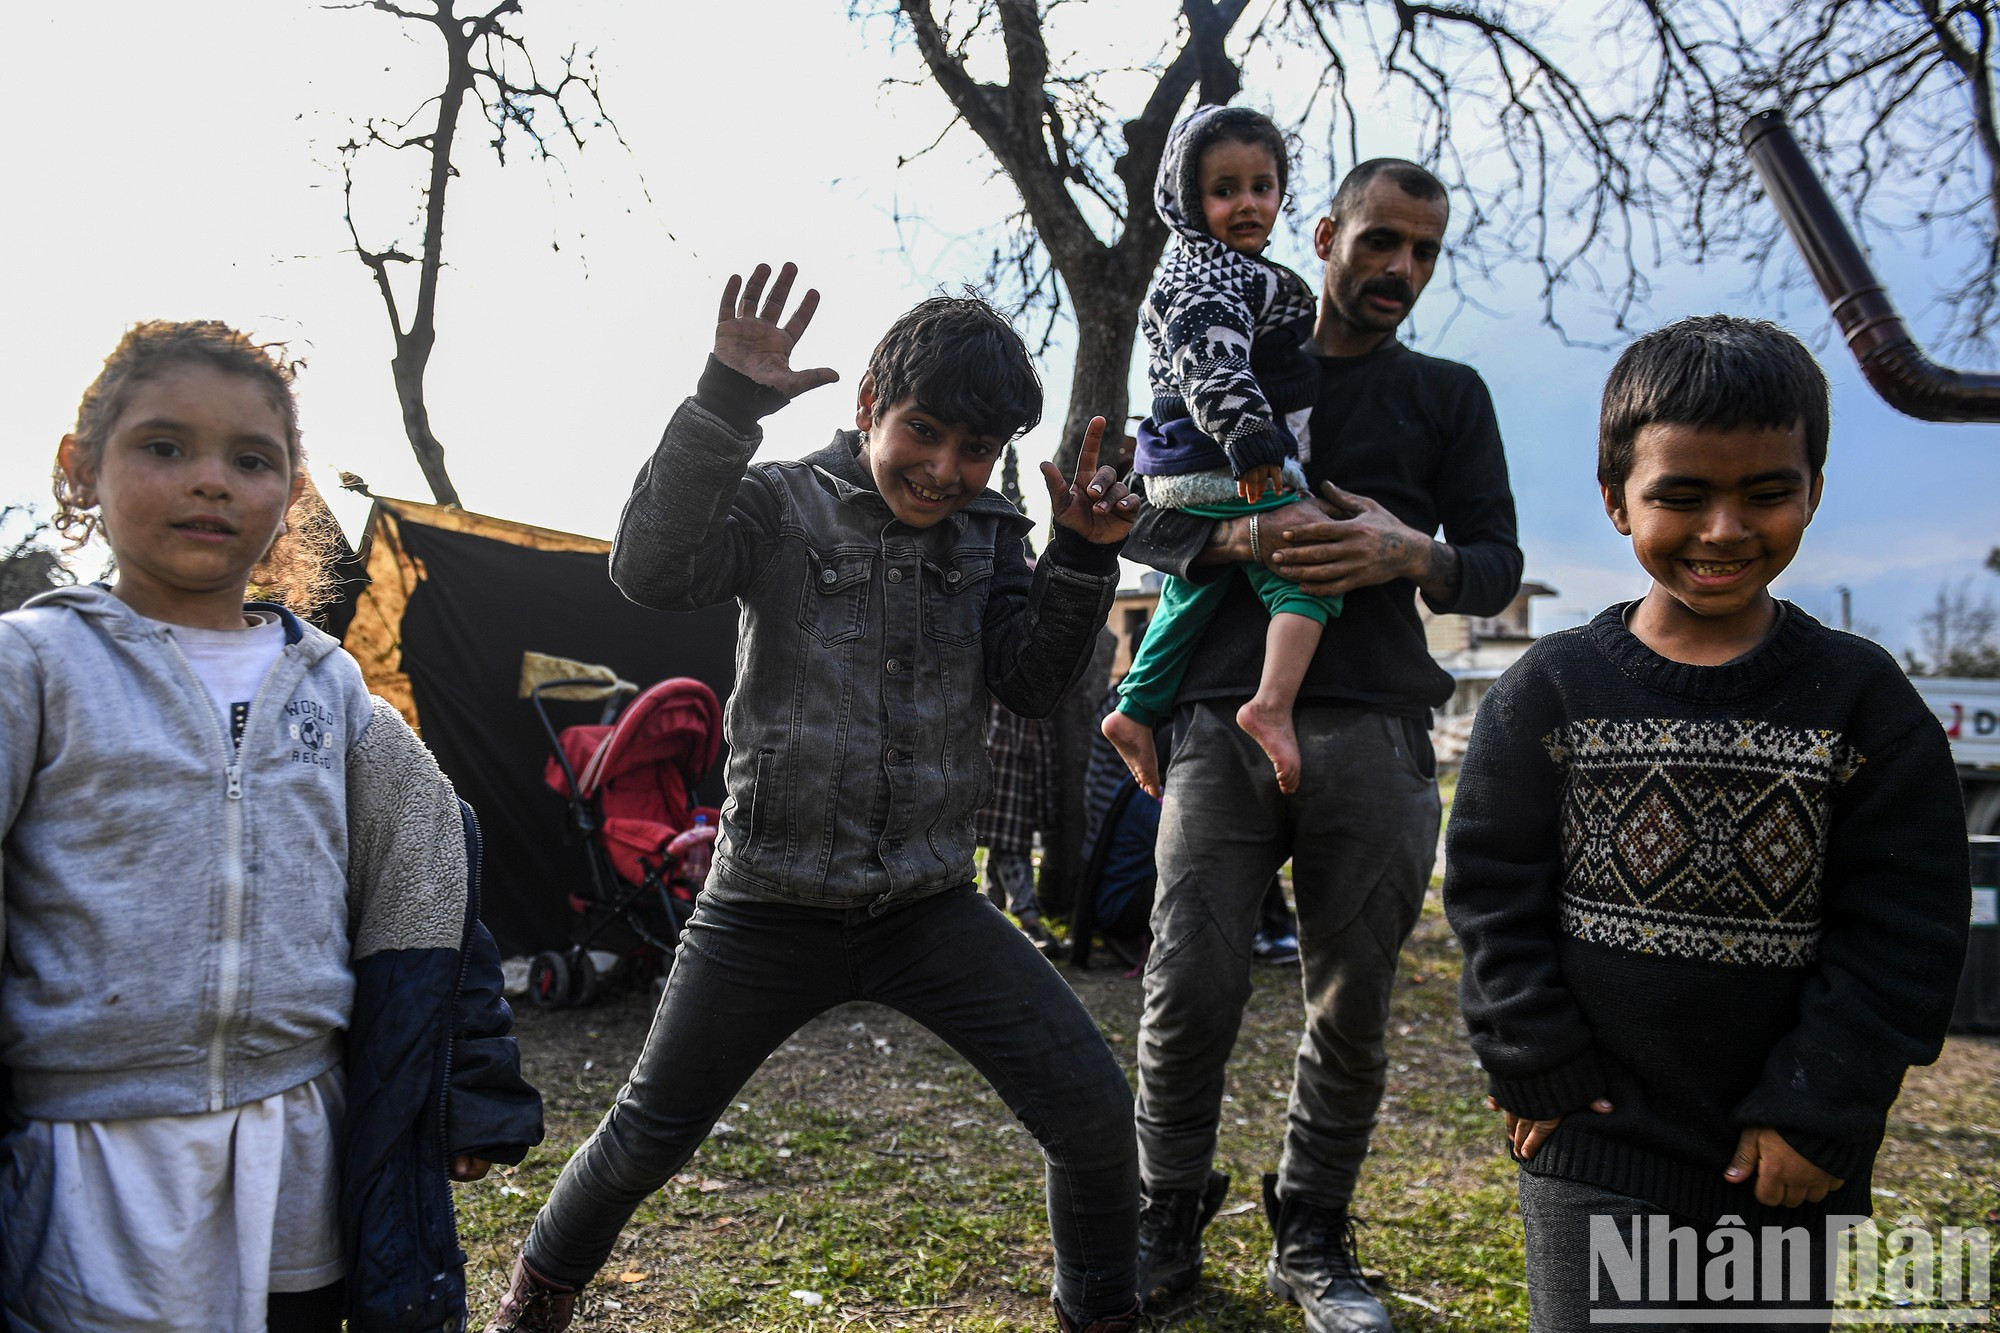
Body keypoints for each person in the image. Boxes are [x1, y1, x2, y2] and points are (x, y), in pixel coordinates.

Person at [485, 264, 1146, 1333]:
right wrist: (723, 403)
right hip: (764, 904)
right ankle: (533, 1301)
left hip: (928, 907)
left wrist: (1079, 553)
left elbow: (1028, 682)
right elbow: (649, 569)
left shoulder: (990, 534)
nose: (941, 470)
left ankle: (1099, 1315)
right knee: (649, 1131)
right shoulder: (779, 502)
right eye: (921, 431)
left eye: (972, 450)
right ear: (867, 407)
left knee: (1090, 1111)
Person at [0, 320, 543, 1331]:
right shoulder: (33, 665)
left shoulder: (330, 687)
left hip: (299, 1134)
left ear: (290, 494)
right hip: (98, 1145)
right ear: (81, 472)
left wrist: (466, 1080)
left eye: (250, 460)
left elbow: (426, 866)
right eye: (164, 446)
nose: (210, 480)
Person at [1442, 315, 1969, 1332]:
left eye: (1764, 491)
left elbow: (1904, 931)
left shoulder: (1861, 703)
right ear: (1613, 500)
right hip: (1590, 1139)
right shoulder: (1548, 691)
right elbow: (1489, 893)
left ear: (1811, 488)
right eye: (1680, 495)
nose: (1723, 528)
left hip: (1782, 1166)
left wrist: (1820, 1111)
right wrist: (1531, 1060)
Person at [1121, 158, 1524, 1333]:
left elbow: (1493, 561)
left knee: (1350, 1001)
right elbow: (1137, 516)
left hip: (1379, 726)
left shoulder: (1449, 393)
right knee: (1186, 983)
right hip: (1215, 720)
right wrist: (1246, 535)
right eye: (1380, 242)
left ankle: (1312, 1228)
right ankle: (1159, 1209)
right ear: (1325, 234)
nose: (1399, 269)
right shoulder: (1222, 352)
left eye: (1424, 251)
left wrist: (1409, 554)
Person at [1101, 105, 1334, 797]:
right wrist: (1250, 434)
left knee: (1190, 586)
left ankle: (1136, 707)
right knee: (1307, 567)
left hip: (1181, 463)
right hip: (1217, 453)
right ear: (1187, 199)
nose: (1247, 204)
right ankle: (1272, 704)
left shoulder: (1223, 267)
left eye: (1262, 186)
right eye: (1224, 189)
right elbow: (1211, 358)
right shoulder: (1210, 272)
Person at [977, 696, 1063, 954]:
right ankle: (1028, 919)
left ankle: (990, 913)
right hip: (997, 776)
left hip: (1014, 780)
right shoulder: (990, 705)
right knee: (1008, 850)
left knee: (1005, 849)